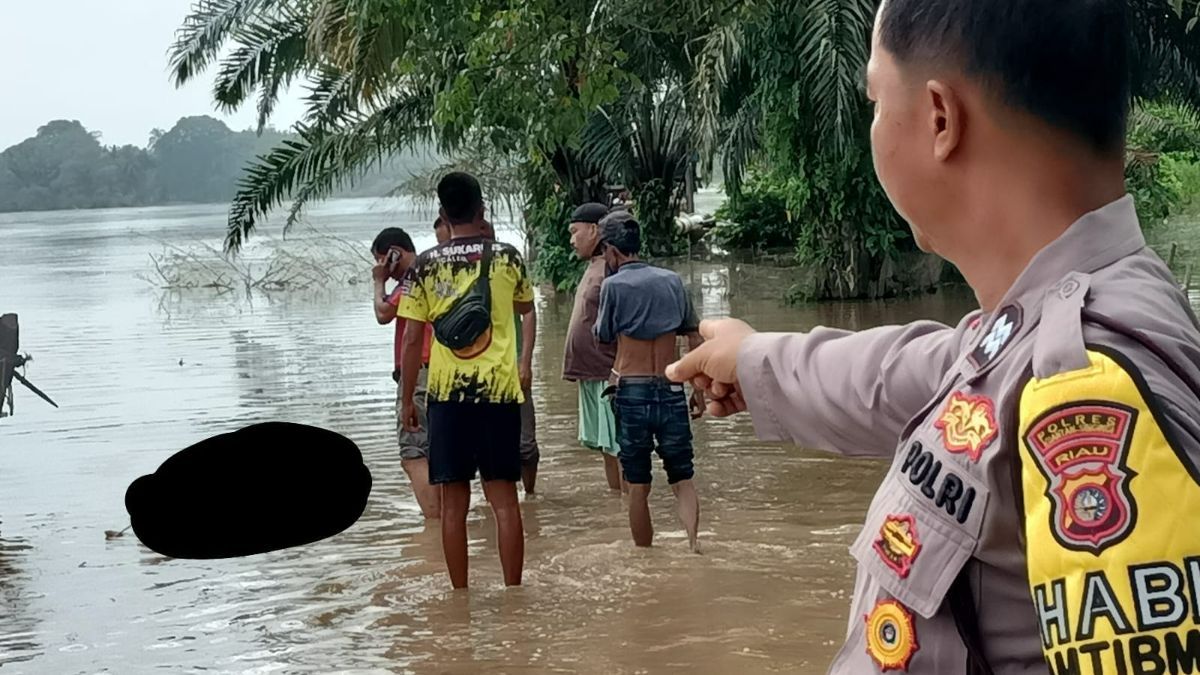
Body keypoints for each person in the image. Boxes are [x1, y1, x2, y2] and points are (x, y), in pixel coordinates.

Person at [666, 0, 1200, 672]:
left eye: (874, 99)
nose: (873, 126)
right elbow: (911, 371)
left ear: (940, 119)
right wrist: (753, 358)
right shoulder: (1033, 328)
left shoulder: (1089, 379)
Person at [398, 172, 534, 588]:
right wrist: (524, 363)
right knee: (505, 502)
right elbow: (527, 309)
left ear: (442, 213)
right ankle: (514, 593)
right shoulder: (508, 258)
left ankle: (461, 597)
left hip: (446, 396)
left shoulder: (424, 265)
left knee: (453, 506)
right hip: (499, 393)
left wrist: (407, 401)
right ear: (482, 209)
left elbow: (410, 340)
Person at [594, 211, 705, 552]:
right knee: (683, 477)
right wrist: (698, 388)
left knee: (638, 484)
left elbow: (602, 335)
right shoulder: (672, 281)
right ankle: (692, 547)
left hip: (632, 390)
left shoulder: (612, 286)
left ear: (612, 251)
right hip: (672, 386)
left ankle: (645, 559)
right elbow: (694, 338)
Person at [370, 227, 440, 520]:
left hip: (419, 372)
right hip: (443, 371)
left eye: (382, 259)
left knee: (413, 454)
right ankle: (446, 520)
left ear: (394, 254)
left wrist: (377, 282)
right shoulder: (435, 270)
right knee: (436, 452)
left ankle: (436, 526)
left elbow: (383, 313)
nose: (382, 267)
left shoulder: (413, 278)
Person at [563, 202, 623, 491]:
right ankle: (617, 505)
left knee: (618, 446)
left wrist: (618, 372)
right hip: (590, 374)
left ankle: (628, 506)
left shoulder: (612, 270)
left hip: (608, 374)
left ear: (594, 230)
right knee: (605, 446)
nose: (572, 240)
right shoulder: (593, 267)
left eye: (575, 232)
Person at [480, 218, 541, 495]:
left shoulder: (507, 267)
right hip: (476, 373)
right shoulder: (452, 273)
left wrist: (525, 361)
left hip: (512, 366)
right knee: (487, 447)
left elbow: (528, 311)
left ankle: (530, 495)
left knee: (526, 445)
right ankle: (500, 499)